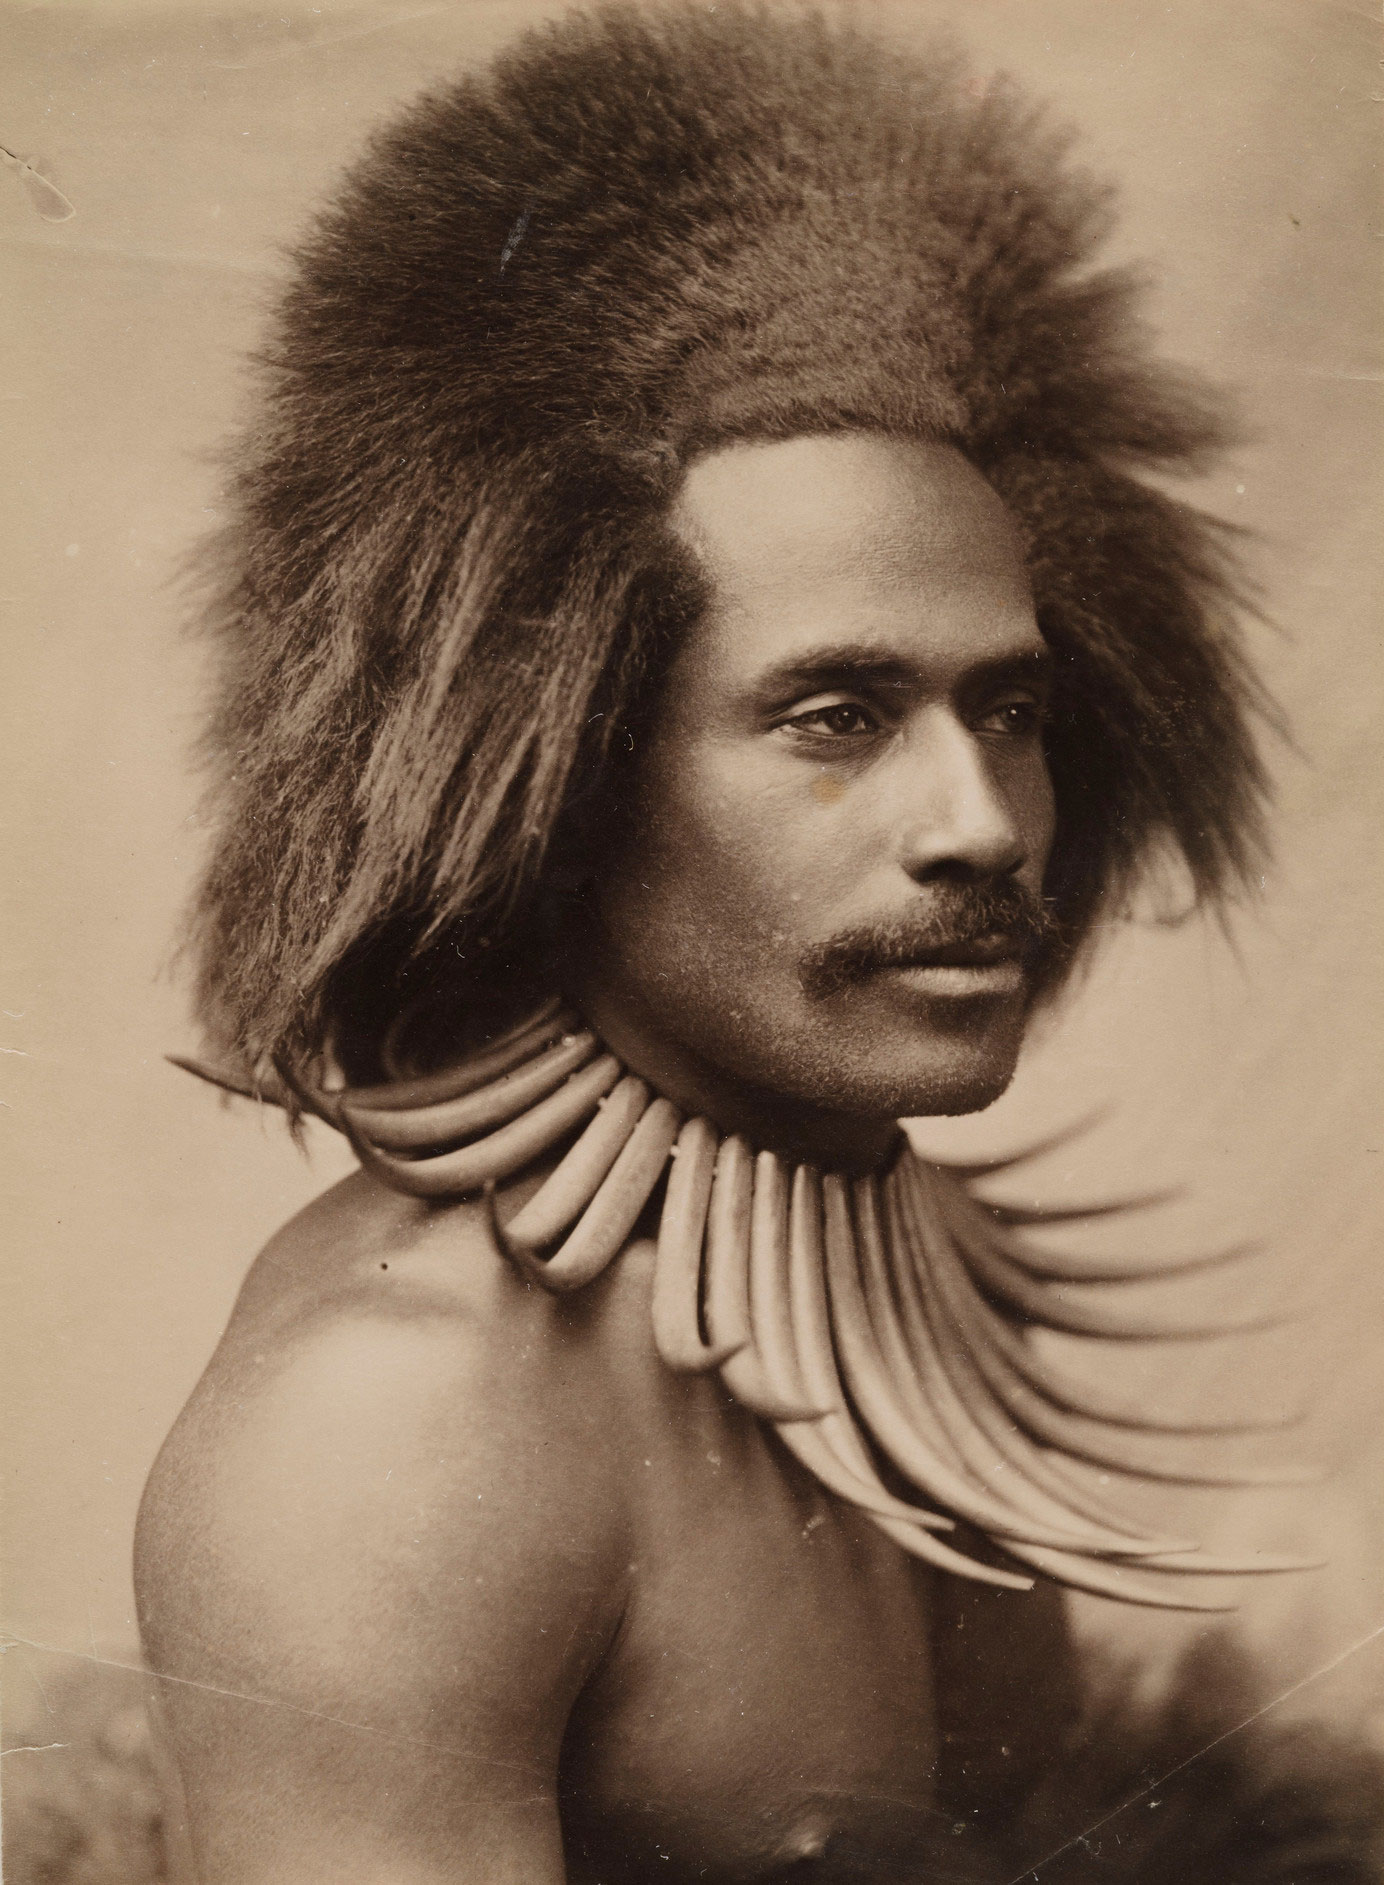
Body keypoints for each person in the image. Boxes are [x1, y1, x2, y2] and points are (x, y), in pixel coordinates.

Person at [132, 6, 1360, 1879]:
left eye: (1011, 708)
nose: (978, 819)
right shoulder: (395, 1423)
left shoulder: (943, 1270)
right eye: (837, 715)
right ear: (560, 766)